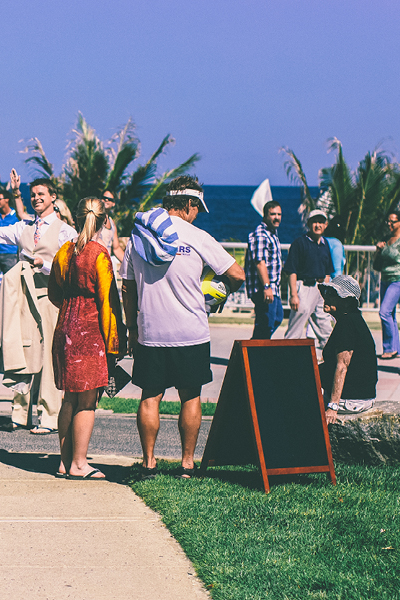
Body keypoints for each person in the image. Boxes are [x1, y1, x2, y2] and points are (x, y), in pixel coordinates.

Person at [122, 176, 245, 479]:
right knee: (190, 396)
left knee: (150, 396)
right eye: (197, 208)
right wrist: (216, 291)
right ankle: (187, 464)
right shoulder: (197, 236)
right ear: (190, 204)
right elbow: (238, 275)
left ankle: (149, 462)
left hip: (151, 329)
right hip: (191, 330)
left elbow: (127, 288)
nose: (197, 213)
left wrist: (133, 329)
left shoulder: (138, 237)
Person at [0, 175, 77, 435]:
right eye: (33, 194)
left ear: (53, 197)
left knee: (48, 357)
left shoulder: (66, 231)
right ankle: (20, 413)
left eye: (41, 194)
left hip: (50, 299)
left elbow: (71, 269)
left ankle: (49, 416)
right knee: (22, 351)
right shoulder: (23, 227)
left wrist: (43, 265)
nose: (36, 198)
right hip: (23, 299)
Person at [49, 197, 123, 479]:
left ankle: (64, 461)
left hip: (65, 326)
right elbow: (107, 302)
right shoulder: (99, 254)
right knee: (87, 401)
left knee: (70, 397)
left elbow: (54, 293)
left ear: (77, 219)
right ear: (104, 221)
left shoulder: (64, 252)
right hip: (90, 330)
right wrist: (114, 342)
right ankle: (79, 463)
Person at [319, 275, 378, 424]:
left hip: (352, 400)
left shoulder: (347, 323)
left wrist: (332, 407)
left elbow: (342, 366)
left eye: (332, 294)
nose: (326, 297)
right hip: (358, 397)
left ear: (346, 302)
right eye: (326, 292)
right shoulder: (352, 319)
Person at [284, 210, 334, 350]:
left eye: (321, 222)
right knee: (297, 326)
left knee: (324, 325)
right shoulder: (300, 243)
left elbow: (328, 272)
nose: (318, 225)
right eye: (314, 222)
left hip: (320, 289)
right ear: (308, 224)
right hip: (304, 287)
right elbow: (292, 270)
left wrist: (327, 295)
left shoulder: (325, 244)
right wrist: (294, 295)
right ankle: (287, 354)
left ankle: (331, 354)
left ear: (325, 225)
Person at [373, 210, 400, 360]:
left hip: (397, 281)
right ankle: (395, 349)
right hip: (385, 280)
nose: (389, 224)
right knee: (391, 315)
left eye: (393, 221)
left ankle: (389, 348)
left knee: (384, 312)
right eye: (388, 221)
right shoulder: (385, 239)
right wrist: (378, 250)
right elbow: (376, 265)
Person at [245, 200, 283, 339]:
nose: (276, 217)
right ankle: (254, 352)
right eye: (273, 214)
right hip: (263, 288)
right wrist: (266, 286)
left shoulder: (272, 233)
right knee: (266, 322)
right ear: (265, 216)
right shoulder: (261, 234)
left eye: (279, 214)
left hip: (273, 287)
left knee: (277, 317)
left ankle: (254, 348)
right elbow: (260, 263)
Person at [99, 190, 125, 263]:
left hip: (105, 265)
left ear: (113, 203)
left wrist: (131, 265)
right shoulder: (94, 218)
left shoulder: (112, 223)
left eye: (110, 199)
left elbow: (116, 249)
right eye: (104, 198)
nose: (106, 200)